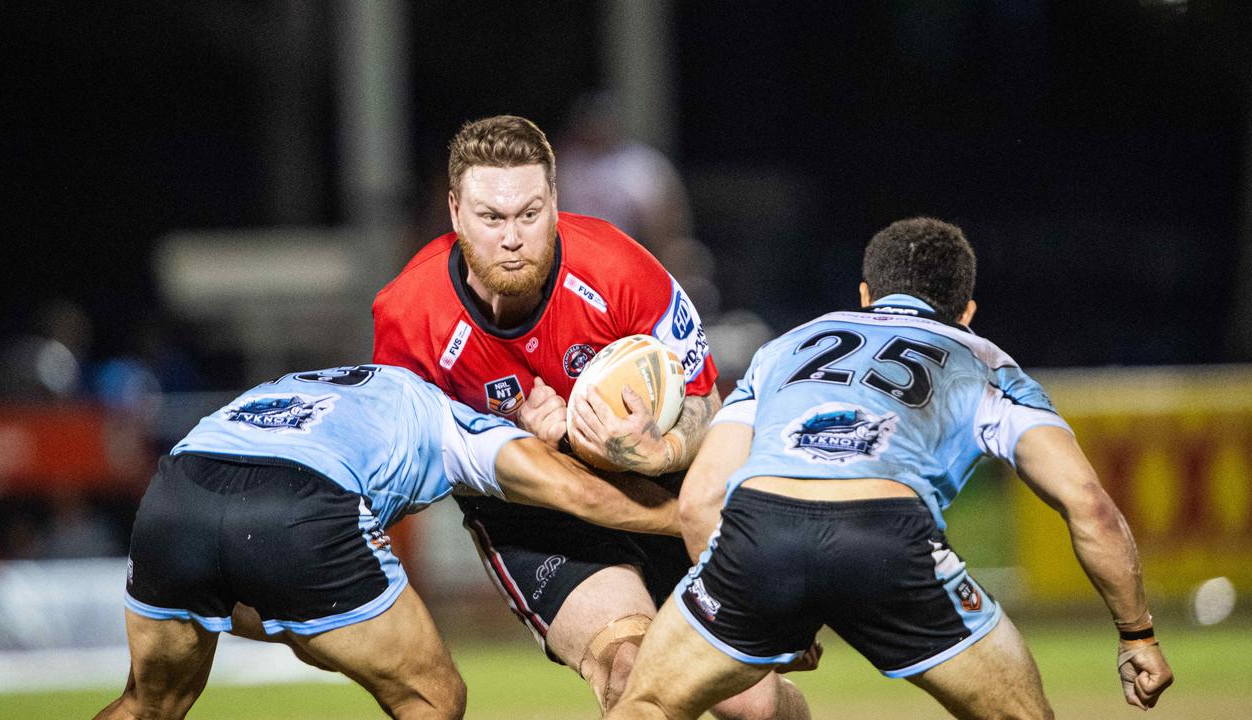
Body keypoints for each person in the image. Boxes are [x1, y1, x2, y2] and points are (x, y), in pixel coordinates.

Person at [606, 218, 1175, 720]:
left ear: (864, 295)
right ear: (967, 312)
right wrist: (1137, 634)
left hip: (762, 530)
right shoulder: (986, 363)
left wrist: (765, 605)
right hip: (887, 536)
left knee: (648, 704)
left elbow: (700, 500)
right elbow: (1089, 506)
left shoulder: (785, 349)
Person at [372, 115, 808, 717]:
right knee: (626, 670)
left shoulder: (620, 269)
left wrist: (664, 448)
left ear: (554, 201)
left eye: (529, 213)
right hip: (533, 514)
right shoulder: (409, 315)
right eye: (490, 217)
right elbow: (411, 456)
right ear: (454, 212)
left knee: (752, 707)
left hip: (654, 489)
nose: (512, 237)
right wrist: (514, 440)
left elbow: (706, 400)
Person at [95, 364, 680, 720]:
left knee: (150, 706)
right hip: (299, 503)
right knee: (434, 701)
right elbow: (578, 493)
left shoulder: (316, 381)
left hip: (176, 494)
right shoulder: (453, 417)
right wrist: (690, 516)